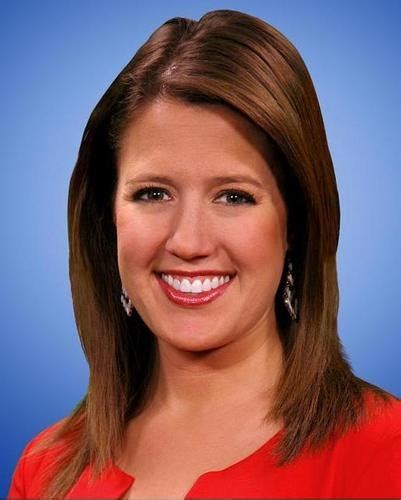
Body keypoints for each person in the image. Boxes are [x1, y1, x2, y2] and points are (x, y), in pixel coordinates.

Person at [8, 9, 401, 499]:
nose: (189, 242)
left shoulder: (387, 452)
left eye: (234, 197)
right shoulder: (46, 466)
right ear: (106, 218)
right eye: (152, 194)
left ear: (295, 222)